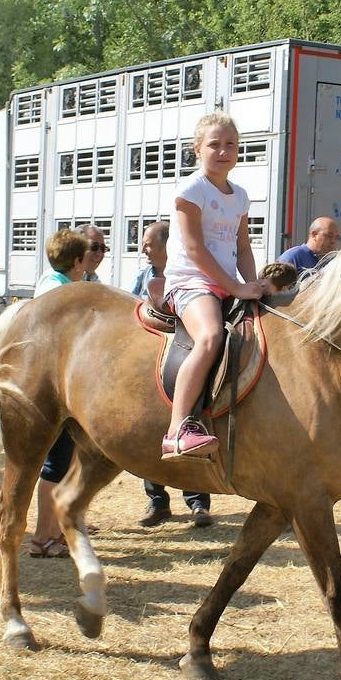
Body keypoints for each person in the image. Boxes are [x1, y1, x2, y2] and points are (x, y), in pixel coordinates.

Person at [161, 112, 271, 461]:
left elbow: (242, 247)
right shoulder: (192, 189)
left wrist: (252, 284)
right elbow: (194, 248)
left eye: (230, 145)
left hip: (225, 284)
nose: (223, 151)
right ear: (197, 149)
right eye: (214, 144)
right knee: (209, 337)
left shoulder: (239, 196)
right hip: (191, 281)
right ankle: (178, 429)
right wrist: (236, 288)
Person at [130, 221, 212, 527]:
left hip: (187, 332)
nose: (143, 250)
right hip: (153, 351)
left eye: (149, 244)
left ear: (167, 245)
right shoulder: (142, 277)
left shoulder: (190, 273)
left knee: (194, 418)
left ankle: (197, 502)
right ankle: (157, 500)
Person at [26, 229, 89, 556]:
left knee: (61, 462)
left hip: (56, 384)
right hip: (56, 388)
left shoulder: (54, 283)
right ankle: (43, 537)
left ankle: (54, 531)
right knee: (56, 463)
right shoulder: (59, 290)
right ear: (77, 260)